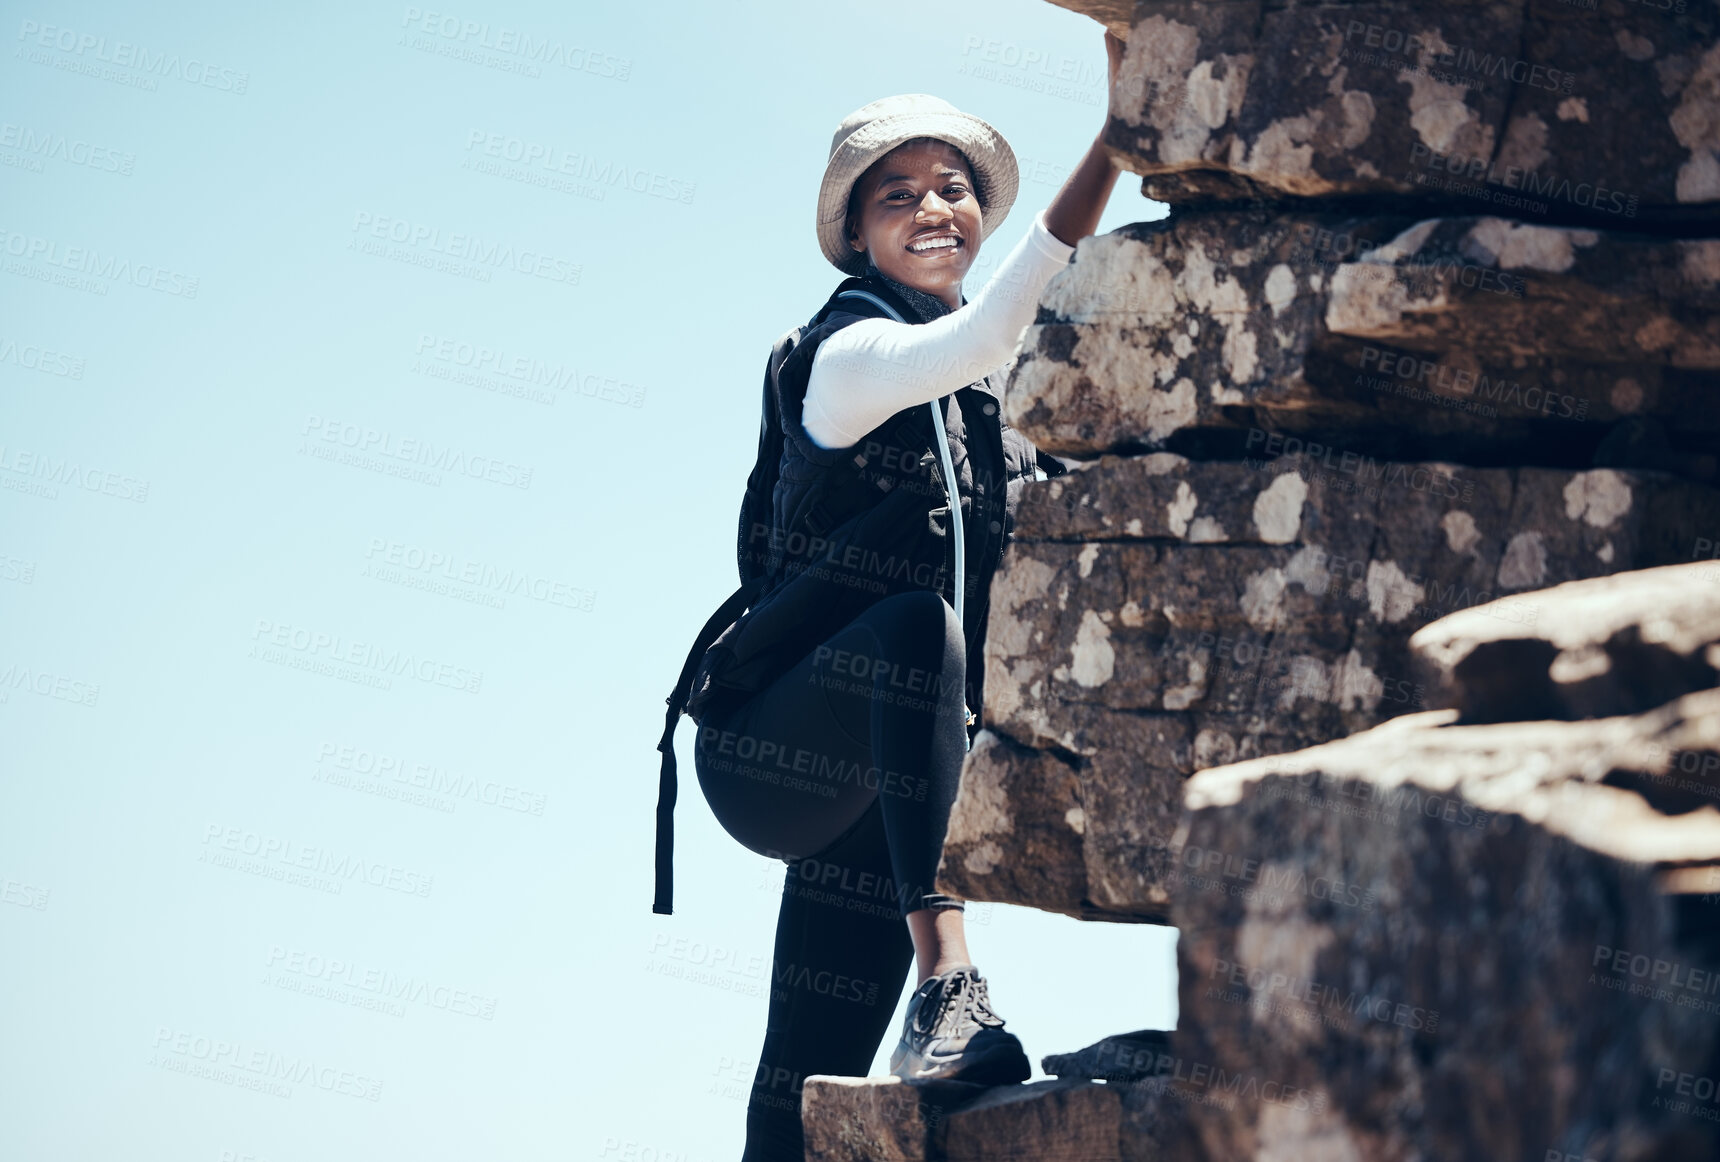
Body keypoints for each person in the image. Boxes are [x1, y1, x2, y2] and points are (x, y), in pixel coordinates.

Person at [689, 31, 1125, 1161]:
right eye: (899, 196)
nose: (934, 209)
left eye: (953, 190)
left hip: (891, 781)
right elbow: (992, 326)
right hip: (775, 755)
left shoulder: (1002, 412)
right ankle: (950, 986)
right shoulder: (846, 356)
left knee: (801, 1078)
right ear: (856, 232)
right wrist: (1122, 140)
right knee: (907, 629)